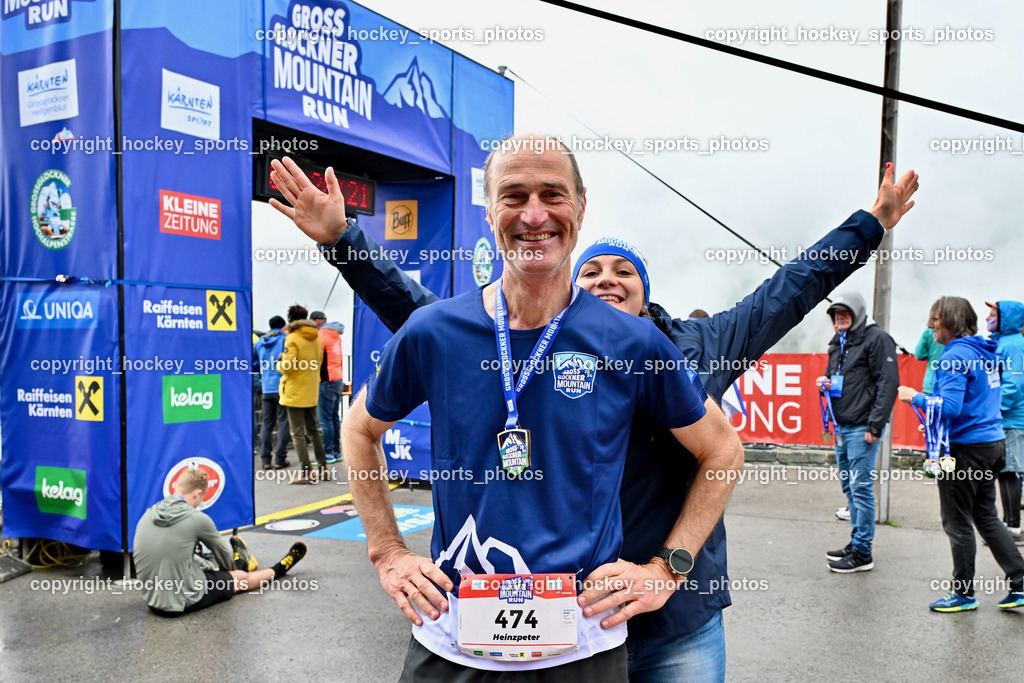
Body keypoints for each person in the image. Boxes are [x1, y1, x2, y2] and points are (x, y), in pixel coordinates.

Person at [269, 146, 919, 680]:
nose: (606, 279)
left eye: (622, 271)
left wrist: (873, 221)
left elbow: (794, 286)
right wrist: (342, 239)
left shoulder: (693, 347)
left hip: (669, 618)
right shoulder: (509, 342)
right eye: (593, 272)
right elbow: (418, 315)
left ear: (644, 286)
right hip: (556, 610)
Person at [898, 296, 1024, 611]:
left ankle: (963, 593)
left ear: (951, 321)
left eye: (935, 320)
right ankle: (1021, 584)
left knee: (957, 521)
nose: (929, 326)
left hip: (966, 448)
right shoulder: (983, 350)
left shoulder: (954, 357)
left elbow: (951, 408)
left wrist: (916, 398)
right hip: (993, 442)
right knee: (985, 516)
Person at [132, 467, 307, 615]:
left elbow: (172, 555)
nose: (199, 504)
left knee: (209, 569)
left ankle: (242, 562)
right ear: (198, 493)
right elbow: (225, 560)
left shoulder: (148, 515)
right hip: (181, 601)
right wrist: (233, 568)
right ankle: (279, 568)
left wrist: (210, 568)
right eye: (201, 499)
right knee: (239, 578)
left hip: (152, 600)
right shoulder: (196, 518)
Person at [817, 292, 899, 573]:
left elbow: (888, 383)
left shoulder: (877, 339)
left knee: (861, 489)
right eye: (835, 313)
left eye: (845, 312)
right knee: (850, 488)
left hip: (863, 428)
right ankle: (857, 542)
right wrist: (826, 383)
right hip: (842, 427)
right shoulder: (837, 344)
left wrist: (875, 426)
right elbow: (841, 379)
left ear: (858, 313)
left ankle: (863, 552)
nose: (840, 317)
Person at [987, 300, 1024, 542]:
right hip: (1006, 418)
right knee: (1004, 470)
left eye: (992, 313)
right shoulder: (1004, 342)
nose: (988, 317)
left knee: (1010, 471)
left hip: (1011, 419)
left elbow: (1014, 384)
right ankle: (1008, 522)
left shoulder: (1013, 345)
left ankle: (1013, 528)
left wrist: (993, 410)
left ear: (1006, 318)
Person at [278, 304, 328, 483]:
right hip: (311, 390)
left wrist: (279, 362)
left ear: (291, 319)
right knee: (313, 431)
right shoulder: (316, 338)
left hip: (294, 392)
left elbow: (286, 367)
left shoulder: (292, 338)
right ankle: (323, 467)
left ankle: (306, 472)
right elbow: (319, 362)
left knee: (297, 433)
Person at [254, 315, 291, 470]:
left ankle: (265, 460)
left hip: (266, 388)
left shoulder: (259, 343)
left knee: (267, 425)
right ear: (283, 327)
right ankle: (279, 459)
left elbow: (254, 364)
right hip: (282, 387)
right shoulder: (285, 340)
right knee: (283, 423)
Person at [311, 310, 345, 465]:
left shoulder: (320, 336)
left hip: (325, 381)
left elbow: (315, 359)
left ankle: (328, 453)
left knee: (325, 420)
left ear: (317, 321)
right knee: (334, 417)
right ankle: (337, 451)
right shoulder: (335, 335)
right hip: (337, 379)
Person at [914, 326, 946, 394]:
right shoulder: (958, 331)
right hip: (952, 382)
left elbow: (920, 354)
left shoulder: (929, 331)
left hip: (931, 382)